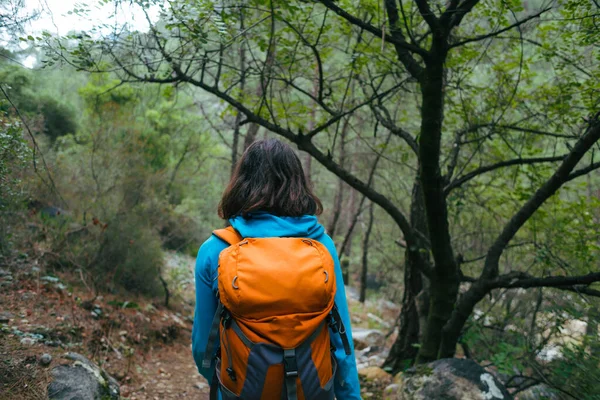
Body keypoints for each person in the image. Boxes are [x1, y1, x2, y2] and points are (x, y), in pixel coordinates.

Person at [192, 138, 361, 399]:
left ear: (242, 183)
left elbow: (203, 345)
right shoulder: (322, 246)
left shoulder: (215, 250)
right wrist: (349, 395)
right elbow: (341, 340)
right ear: (297, 184)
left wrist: (227, 383)